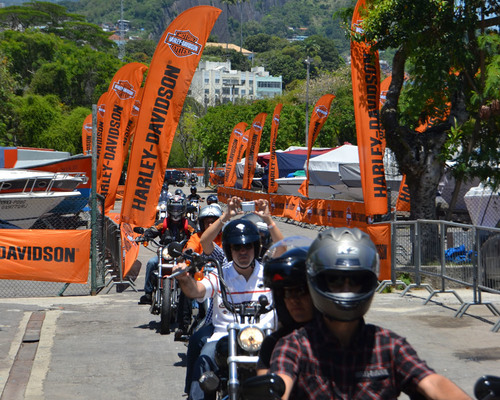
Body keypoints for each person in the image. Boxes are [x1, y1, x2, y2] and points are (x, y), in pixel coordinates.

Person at [268, 227, 472, 400]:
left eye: (355, 280)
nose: (346, 288)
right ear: (317, 281)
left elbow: (432, 382)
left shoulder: (389, 346)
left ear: (368, 282)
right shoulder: (295, 346)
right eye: (335, 280)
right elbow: (279, 385)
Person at [173, 202, 280, 400]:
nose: (243, 251)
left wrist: (268, 218)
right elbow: (196, 290)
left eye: (248, 246)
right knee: (204, 359)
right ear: (230, 250)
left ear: (256, 247)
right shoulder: (221, 273)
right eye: (237, 247)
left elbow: (284, 250)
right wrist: (184, 278)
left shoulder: (269, 273)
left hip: (265, 337)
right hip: (224, 336)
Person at [257, 236, 315, 375]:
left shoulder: (334, 338)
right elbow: (265, 384)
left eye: (301, 291)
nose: (294, 300)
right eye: (287, 293)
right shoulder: (273, 344)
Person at [138, 195, 194, 306]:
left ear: (183, 209)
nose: (175, 212)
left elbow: (196, 234)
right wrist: (144, 236)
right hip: (165, 254)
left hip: (182, 255)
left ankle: (193, 298)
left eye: (178, 209)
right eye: (173, 208)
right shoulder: (163, 223)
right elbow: (152, 230)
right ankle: (148, 293)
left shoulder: (188, 225)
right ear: (169, 209)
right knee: (151, 263)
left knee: (193, 268)